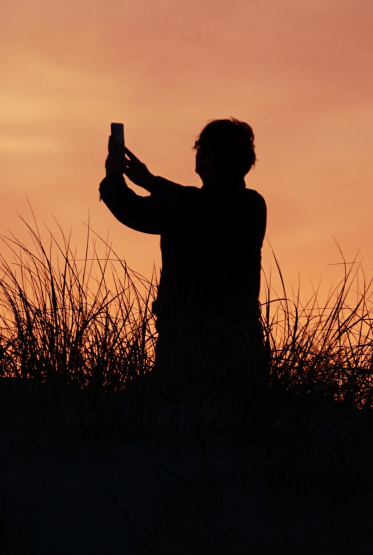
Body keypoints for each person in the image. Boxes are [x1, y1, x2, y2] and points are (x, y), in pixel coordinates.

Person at [99, 118, 268, 395]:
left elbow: (131, 210)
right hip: (244, 337)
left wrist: (113, 176)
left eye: (200, 149)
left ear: (210, 158)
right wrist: (151, 181)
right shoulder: (253, 204)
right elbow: (204, 203)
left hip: (191, 337)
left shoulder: (186, 206)